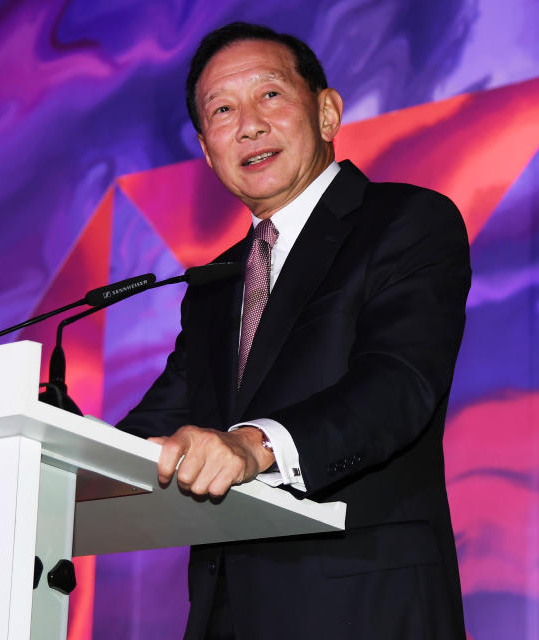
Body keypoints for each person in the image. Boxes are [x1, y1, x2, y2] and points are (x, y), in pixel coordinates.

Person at [116, 22, 471, 639]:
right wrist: (47, 454)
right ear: (207, 150)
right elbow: (159, 431)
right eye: (222, 110)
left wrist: (254, 445)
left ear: (327, 112)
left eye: (270, 95)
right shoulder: (217, 284)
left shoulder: (406, 221)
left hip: (366, 609)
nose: (248, 124)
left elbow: (397, 385)